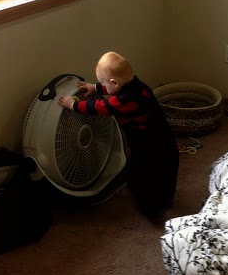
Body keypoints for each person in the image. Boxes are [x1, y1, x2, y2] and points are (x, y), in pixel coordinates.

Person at [57, 51, 179, 223]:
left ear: (114, 82)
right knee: (167, 170)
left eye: (103, 83)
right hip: (165, 137)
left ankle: (151, 210)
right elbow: (114, 87)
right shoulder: (138, 86)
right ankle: (167, 197)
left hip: (147, 143)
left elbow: (99, 106)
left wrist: (73, 105)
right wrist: (95, 87)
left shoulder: (124, 101)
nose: (103, 86)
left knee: (137, 177)